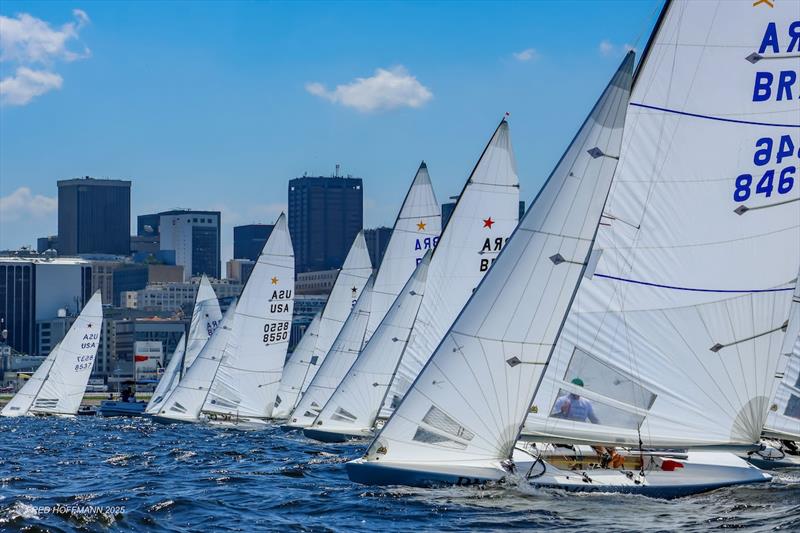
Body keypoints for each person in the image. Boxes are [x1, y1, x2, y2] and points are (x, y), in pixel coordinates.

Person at [555, 377, 624, 469]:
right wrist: (563, 411)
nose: (577, 391)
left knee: (598, 434)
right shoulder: (561, 400)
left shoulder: (586, 402)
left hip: (582, 430)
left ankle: (613, 454)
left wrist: (605, 432)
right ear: (570, 388)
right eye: (574, 388)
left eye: (579, 388)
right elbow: (553, 417)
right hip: (567, 430)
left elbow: (595, 420)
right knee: (591, 437)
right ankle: (605, 455)